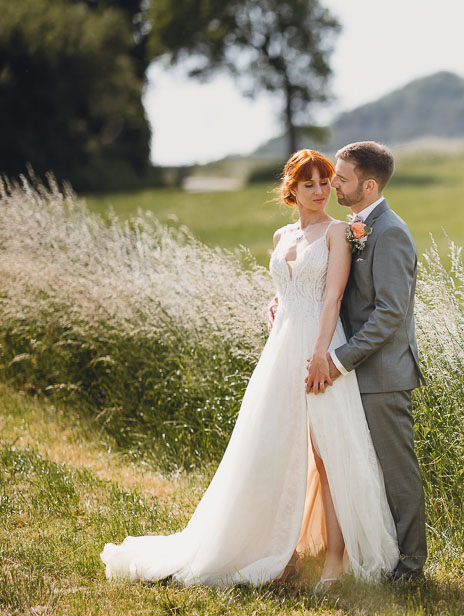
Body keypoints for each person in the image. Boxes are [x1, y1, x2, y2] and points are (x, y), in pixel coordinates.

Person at [100, 149, 399, 591]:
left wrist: (321, 354)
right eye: (310, 184)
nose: (320, 192)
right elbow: (287, 290)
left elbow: (332, 298)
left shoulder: (338, 232)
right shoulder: (281, 237)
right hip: (280, 350)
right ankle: (280, 550)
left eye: (325, 183)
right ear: (292, 190)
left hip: (319, 347)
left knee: (326, 452)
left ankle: (335, 560)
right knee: (273, 447)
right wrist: (275, 307)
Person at [306, 141, 427, 583]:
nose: (333, 184)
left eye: (341, 178)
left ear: (369, 184)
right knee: (363, 467)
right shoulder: (355, 226)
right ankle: (374, 554)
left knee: (397, 470)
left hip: (383, 373)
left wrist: (339, 360)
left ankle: (411, 567)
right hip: (360, 372)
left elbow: (390, 313)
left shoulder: (390, 232)